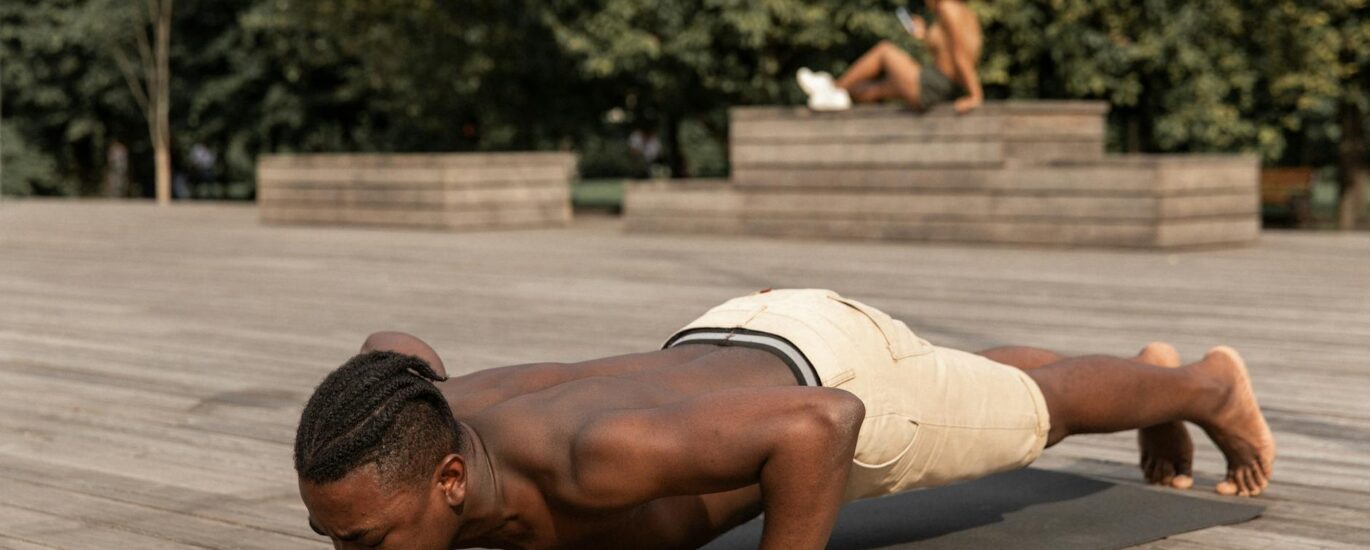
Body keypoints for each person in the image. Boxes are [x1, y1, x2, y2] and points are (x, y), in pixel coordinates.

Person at [295, 288, 1275, 550]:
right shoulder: (421, 418)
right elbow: (400, 343)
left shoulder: (593, 459)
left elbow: (818, 425)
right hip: (732, 335)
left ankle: (1202, 386)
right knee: (957, 378)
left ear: (450, 481)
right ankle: (1150, 383)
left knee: (1030, 415)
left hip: (827, 377)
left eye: (364, 542)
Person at [798, 0, 984, 113]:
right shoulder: (966, 13)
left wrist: (975, 95)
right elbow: (950, 54)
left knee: (884, 51)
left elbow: (961, 57)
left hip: (936, 83)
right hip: (944, 84)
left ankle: (832, 88)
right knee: (874, 90)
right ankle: (835, 95)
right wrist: (924, 36)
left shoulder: (946, 7)